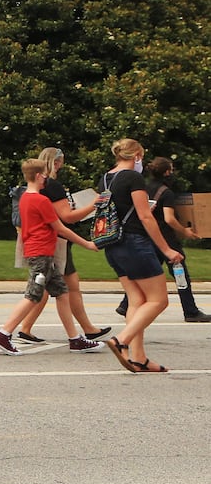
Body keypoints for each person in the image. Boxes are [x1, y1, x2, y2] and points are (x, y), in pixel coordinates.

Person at [0, 158, 104, 355]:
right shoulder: (40, 200)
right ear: (37, 176)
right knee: (33, 295)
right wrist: (87, 244)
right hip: (41, 253)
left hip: (41, 252)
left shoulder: (25, 196)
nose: (46, 178)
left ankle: (75, 339)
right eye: (44, 174)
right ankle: (3, 334)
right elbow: (60, 228)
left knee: (61, 292)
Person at [101, 138, 184, 374]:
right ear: (136, 155)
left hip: (114, 244)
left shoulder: (106, 177)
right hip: (135, 243)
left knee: (136, 300)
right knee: (159, 300)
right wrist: (167, 249)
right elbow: (145, 217)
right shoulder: (134, 178)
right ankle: (121, 340)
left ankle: (139, 357)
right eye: (142, 156)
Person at [15, 147, 111, 345]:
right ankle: (84, 331)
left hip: (45, 241)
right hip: (54, 242)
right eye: (61, 162)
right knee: (63, 287)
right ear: (56, 162)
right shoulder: (51, 188)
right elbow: (65, 219)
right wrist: (95, 204)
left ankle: (26, 329)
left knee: (52, 287)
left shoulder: (32, 191)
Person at [114, 157, 210, 322]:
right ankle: (191, 311)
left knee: (144, 273)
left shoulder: (144, 188)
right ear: (166, 172)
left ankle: (125, 305)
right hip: (166, 240)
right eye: (170, 170)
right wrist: (185, 232)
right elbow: (169, 219)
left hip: (148, 236)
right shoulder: (166, 192)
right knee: (181, 275)